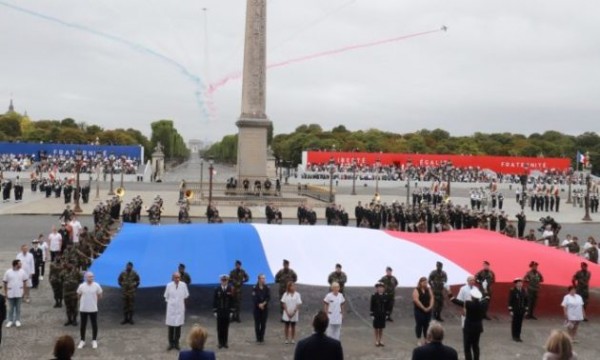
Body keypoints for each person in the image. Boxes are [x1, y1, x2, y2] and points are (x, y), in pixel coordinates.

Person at [450, 287, 487, 360]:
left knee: (467, 346)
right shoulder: (484, 303)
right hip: (478, 327)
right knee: (475, 346)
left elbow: (456, 301)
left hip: (469, 327)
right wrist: (486, 291)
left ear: (472, 296)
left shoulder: (468, 303)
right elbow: (487, 297)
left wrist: (450, 295)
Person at [76, 272, 103, 349]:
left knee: (94, 324)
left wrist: (94, 301)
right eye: (89, 277)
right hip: (83, 308)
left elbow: (100, 295)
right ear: (85, 277)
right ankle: (82, 340)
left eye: (92, 277)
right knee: (83, 325)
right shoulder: (81, 286)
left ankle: (94, 340)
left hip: (93, 309)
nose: (91, 278)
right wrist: (82, 302)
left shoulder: (97, 285)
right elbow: (78, 295)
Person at [165, 271, 189, 350]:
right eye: (175, 277)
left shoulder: (183, 285)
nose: (177, 279)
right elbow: (166, 297)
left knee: (178, 327)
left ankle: (176, 343)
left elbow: (186, 296)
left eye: (178, 277)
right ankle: (171, 344)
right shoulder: (169, 285)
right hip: (171, 310)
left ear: (180, 278)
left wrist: (182, 306)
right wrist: (172, 303)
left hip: (179, 309)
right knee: (171, 328)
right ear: (173, 278)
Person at [3, 259, 28, 328]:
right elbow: (5, 282)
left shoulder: (22, 272)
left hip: (19, 292)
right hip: (10, 292)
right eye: (19, 264)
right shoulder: (8, 272)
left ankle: (17, 320)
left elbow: (25, 282)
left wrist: (24, 292)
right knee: (11, 308)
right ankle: (10, 320)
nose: (21, 265)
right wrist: (5, 292)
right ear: (16, 264)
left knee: (18, 308)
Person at [213, 274, 234, 349]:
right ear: (220, 281)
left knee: (226, 327)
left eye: (225, 280)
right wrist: (215, 311)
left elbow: (232, 300)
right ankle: (220, 342)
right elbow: (215, 300)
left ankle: (225, 342)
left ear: (227, 281)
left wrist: (231, 311)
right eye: (223, 280)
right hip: (219, 311)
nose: (224, 282)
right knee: (219, 328)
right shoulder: (217, 289)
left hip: (227, 311)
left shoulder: (230, 289)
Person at [413, 276, 434, 345]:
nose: (426, 284)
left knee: (427, 325)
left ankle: (426, 339)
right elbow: (416, 300)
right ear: (420, 283)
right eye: (424, 282)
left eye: (426, 282)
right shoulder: (416, 290)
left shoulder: (428, 289)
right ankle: (418, 339)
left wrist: (430, 306)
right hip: (419, 310)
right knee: (419, 325)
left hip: (428, 310)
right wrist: (423, 308)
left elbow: (432, 298)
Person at [370, 282, 390, 347]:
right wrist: (372, 314)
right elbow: (372, 305)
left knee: (381, 328)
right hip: (376, 314)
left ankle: (380, 340)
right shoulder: (374, 296)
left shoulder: (386, 296)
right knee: (376, 328)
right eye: (379, 287)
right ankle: (376, 340)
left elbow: (387, 306)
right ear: (377, 289)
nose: (380, 289)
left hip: (383, 314)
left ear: (383, 289)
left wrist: (387, 314)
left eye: (381, 287)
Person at [507, 278, 528, 342]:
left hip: (521, 310)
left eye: (521, 283)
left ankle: (518, 336)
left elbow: (526, 300)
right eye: (518, 283)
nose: (520, 284)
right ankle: (514, 336)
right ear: (516, 284)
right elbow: (510, 301)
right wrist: (510, 310)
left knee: (520, 323)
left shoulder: (524, 290)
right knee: (515, 323)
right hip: (515, 310)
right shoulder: (513, 290)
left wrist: (526, 310)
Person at [252, 273, 270, 343]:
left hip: (264, 308)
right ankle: (258, 337)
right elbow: (254, 298)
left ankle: (262, 337)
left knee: (263, 324)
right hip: (257, 309)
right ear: (259, 279)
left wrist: (263, 304)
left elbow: (268, 297)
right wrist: (259, 304)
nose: (263, 280)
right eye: (262, 278)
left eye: (264, 278)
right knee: (257, 324)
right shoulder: (254, 288)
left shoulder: (267, 288)